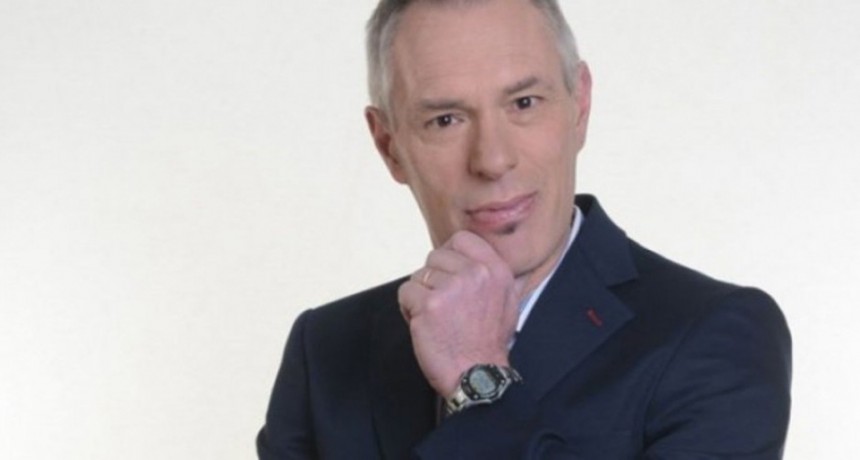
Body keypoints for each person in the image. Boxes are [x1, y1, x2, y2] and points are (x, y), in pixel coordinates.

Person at [257, 0, 792, 458]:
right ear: (389, 146)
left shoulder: (717, 334)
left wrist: (477, 381)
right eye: (445, 120)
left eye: (524, 103)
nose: (492, 159)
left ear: (579, 105)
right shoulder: (325, 350)